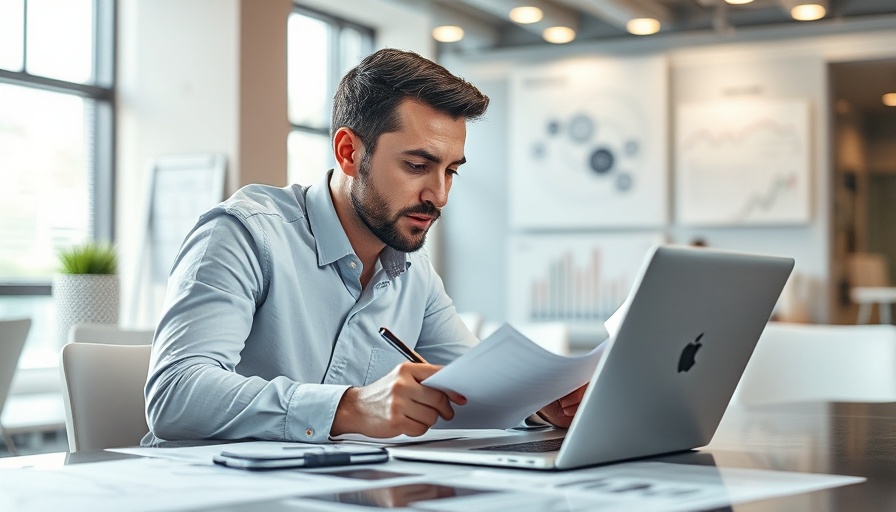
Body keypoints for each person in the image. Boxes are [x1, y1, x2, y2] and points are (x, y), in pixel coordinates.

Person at [143, 48, 585, 446]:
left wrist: (537, 402)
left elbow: (475, 384)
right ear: (349, 152)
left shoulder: (414, 272)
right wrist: (351, 407)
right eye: (417, 165)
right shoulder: (244, 234)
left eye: (451, 171)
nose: (439, 195)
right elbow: (175, 392)